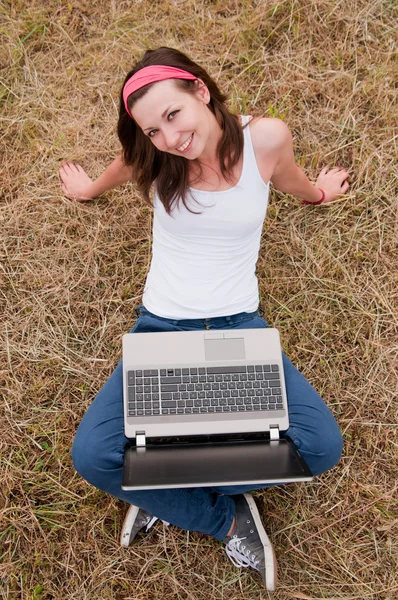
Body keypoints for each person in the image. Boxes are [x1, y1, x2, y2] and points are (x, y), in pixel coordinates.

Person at [61, 47, 349, 591]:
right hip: (162, 326)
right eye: (152, 130)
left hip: (240, 324)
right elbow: (125, 164)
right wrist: (89, 189)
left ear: (200, 90)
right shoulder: (157, 157)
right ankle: (225, 517)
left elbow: (289, 179)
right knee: (95, 456)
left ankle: (160, 493)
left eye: (172, 115)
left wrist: (318, 196)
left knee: (320, 446)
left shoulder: (265, 138)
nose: (169, 138)